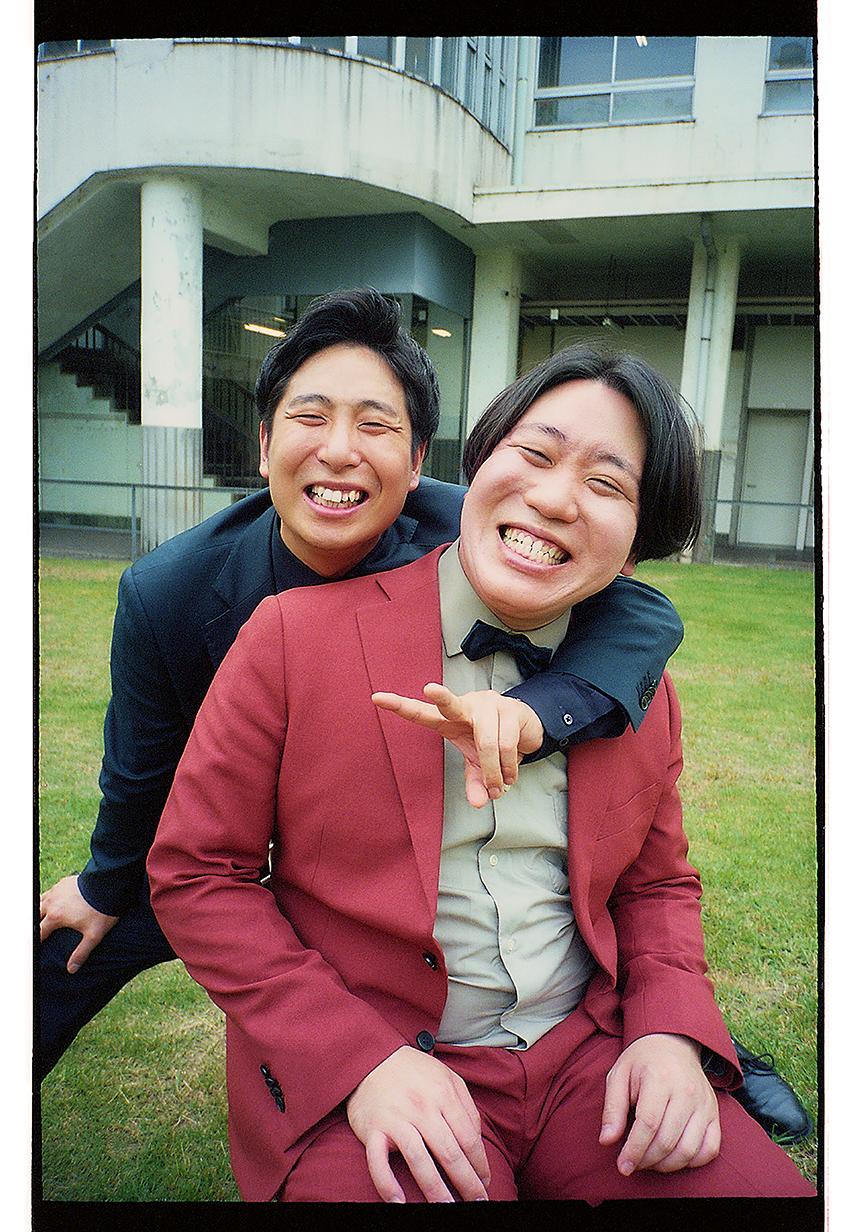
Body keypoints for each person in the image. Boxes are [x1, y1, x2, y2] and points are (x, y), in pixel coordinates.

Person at [147, 343, 815, 1203]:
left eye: (606, 484)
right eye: (534, 454)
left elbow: (655, 886)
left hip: (592, 1055)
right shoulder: (290, 638)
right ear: (477, 463)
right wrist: (360, 1060)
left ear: (638, 541)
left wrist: (670, 1030)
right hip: (383, 1058)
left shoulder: (638, 685)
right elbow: (199, 875)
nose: (554, 499)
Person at [38, 289, 683, 1077]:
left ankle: (703, 1049)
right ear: (265, 442)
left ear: (416, 464)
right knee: (60, 953)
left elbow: (639, 610)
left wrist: (537, 712)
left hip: (360, 860)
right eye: (310, 417)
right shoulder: (168, 591)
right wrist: (103, 886)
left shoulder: (471, 526)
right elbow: (140, 774)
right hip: (233, 844)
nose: (340, 452)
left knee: (547, 935)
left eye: (376, 426)